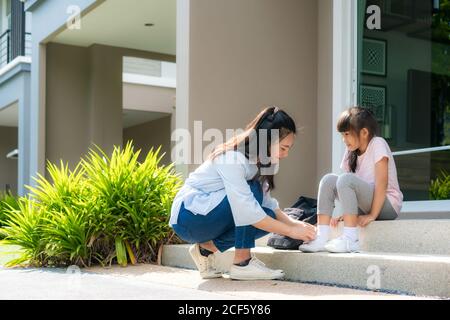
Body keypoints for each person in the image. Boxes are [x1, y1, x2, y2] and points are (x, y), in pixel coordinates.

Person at [170, 106, 316, 280]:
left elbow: (269, 206)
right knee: (252, 196)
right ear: (267, 141)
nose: (285, 154)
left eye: (288, 149)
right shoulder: (233, 158)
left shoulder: (257, 163)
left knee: (266, 213)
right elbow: (247, 211)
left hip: (207, 218)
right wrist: (291, 232)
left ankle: (205, 249)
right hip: (188, 218)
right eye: (283, 148)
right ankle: (242, 263)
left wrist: (295, 225)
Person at [299, 106, 403, 253]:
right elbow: (345, 189)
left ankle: (350, 239)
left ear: (364, 132)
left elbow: (382, 183)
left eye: (347, 134)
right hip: (366, 204)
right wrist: (345, 215)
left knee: (346, 179)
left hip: (387, 205)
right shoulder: (351, 152)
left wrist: (372, 215)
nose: (344, 139)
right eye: (342, 135)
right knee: (328, 180)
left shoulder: (378, 143)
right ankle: (322, 237)